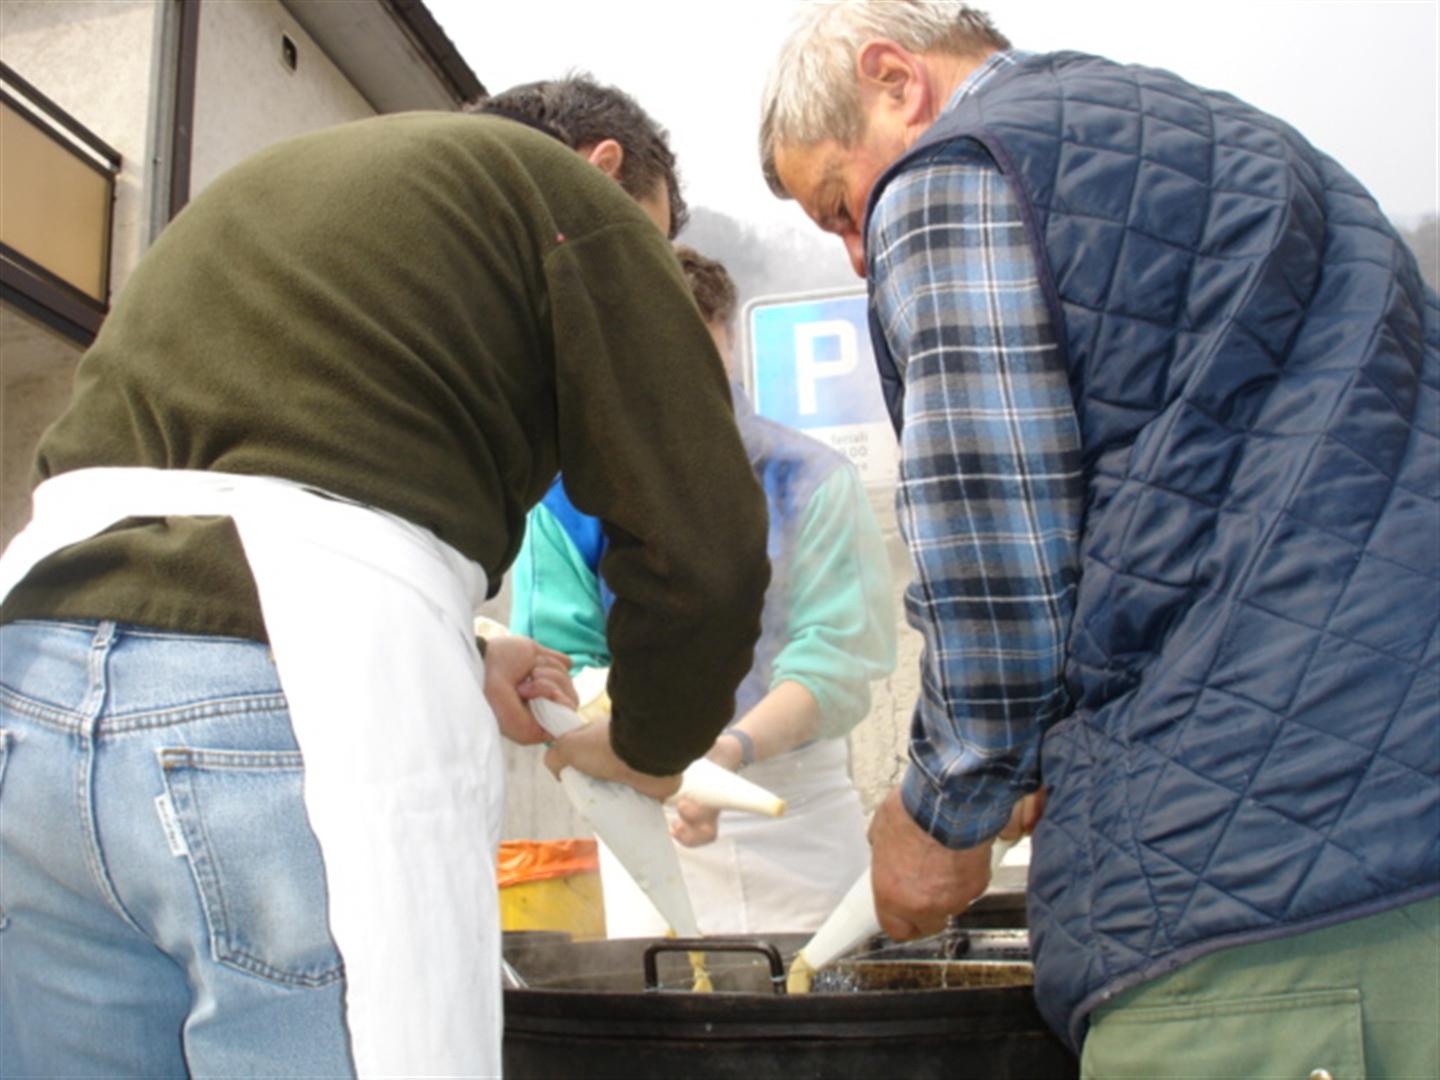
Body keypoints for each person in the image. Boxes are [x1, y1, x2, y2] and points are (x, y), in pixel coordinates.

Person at [0, 76, 769, 1078]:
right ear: (605, 167)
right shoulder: (566, 196)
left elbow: (231, 493)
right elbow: (701, 545)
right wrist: (651, 745)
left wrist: (470, 645)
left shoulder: (276, 184)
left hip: (35, 681)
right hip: (282, 716)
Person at [759, 3, 1438, 1075]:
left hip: (1255, 916)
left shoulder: (956, 172)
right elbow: (1217, 499)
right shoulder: (1264, 155)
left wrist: (943, 812)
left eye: (843, 205)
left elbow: (995, 549)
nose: (856, 253)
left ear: (894, 79)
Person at [511, 245, 897, 936]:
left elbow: (834, 660)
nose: (677, 389)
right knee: (660, 994)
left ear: (730, 343)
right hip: (639, 808)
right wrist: (634, 748)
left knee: (821, 995)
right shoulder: (566, 504)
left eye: (698, 359)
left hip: (799, 814)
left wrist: (727, 751)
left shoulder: (814, 479)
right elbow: (555, 665)